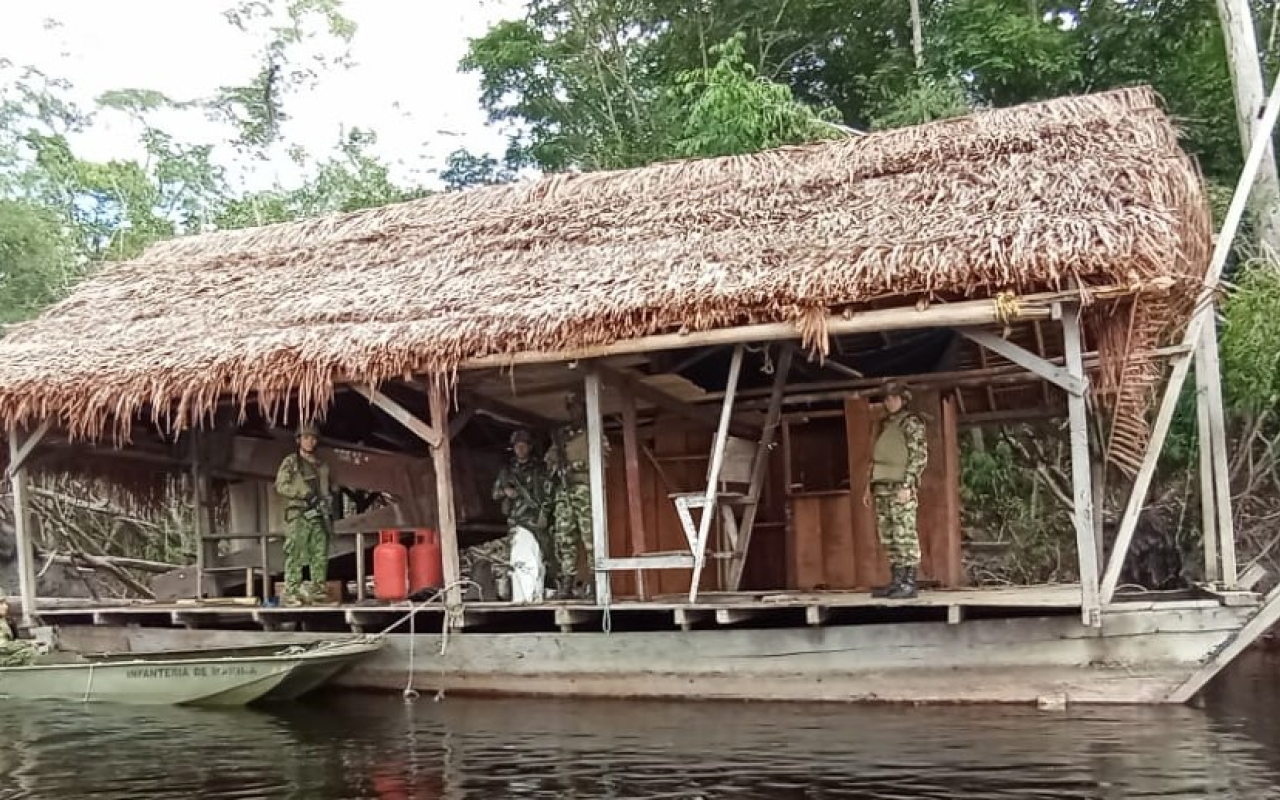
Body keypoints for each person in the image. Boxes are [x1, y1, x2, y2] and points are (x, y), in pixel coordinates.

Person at [477, 429, 553, 600]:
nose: (520, 449)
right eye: (517, 446)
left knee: (543, 555)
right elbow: (494, 494)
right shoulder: (507, 471)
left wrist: (544, 514)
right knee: (520, 559)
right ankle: (523, 594)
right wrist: (506, 491)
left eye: (523, 445)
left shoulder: (538, 468)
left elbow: (548, 494)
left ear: (529, 447)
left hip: (535, 519)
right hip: (516, 521)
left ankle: (542, 591)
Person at [545, 392, 608, 599]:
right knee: (565, 538)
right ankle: (566, 583)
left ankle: (596, 583)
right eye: (571, 408)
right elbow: (550, 458)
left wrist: (574, 466)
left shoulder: (594, 433)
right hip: (564, 491)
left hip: (584, 489)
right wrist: (555, 465)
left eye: (578, 407)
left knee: (591, 537)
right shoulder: (563, 435)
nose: (575, 411)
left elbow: (602, 459)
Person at [870, 382, 928, 599]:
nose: (889, 402)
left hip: (900, 485)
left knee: (904, 533)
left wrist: (908, 483)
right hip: (882, 484)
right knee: (889, 535)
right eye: (886, 398)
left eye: (893, 398)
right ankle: (896, 580)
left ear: (904, 399)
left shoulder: (911, 423)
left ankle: (909, 582)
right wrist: (870, 486)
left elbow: (919, 456)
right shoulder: (885, 423)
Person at [274, 422, 333, 606]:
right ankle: (291, 592)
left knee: (320, 552)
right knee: (295, 552)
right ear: (299, 440)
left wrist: (326, 504)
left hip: (318, 513)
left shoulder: (321, 465)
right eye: (306, 437)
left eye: (313, 438)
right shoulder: (292, 462)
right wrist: (304, 494)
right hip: (298, 513)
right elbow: (281, 485)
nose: (310, 442)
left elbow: (326, 490)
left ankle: (318, 592)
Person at [0, 590, 41, 667]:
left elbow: (12, 641)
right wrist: (27, 644)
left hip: (5, 656)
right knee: (29, 653)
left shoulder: (6, 621)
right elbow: (2, 647)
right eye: (1, 603)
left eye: (5, 603)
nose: (6, 606)